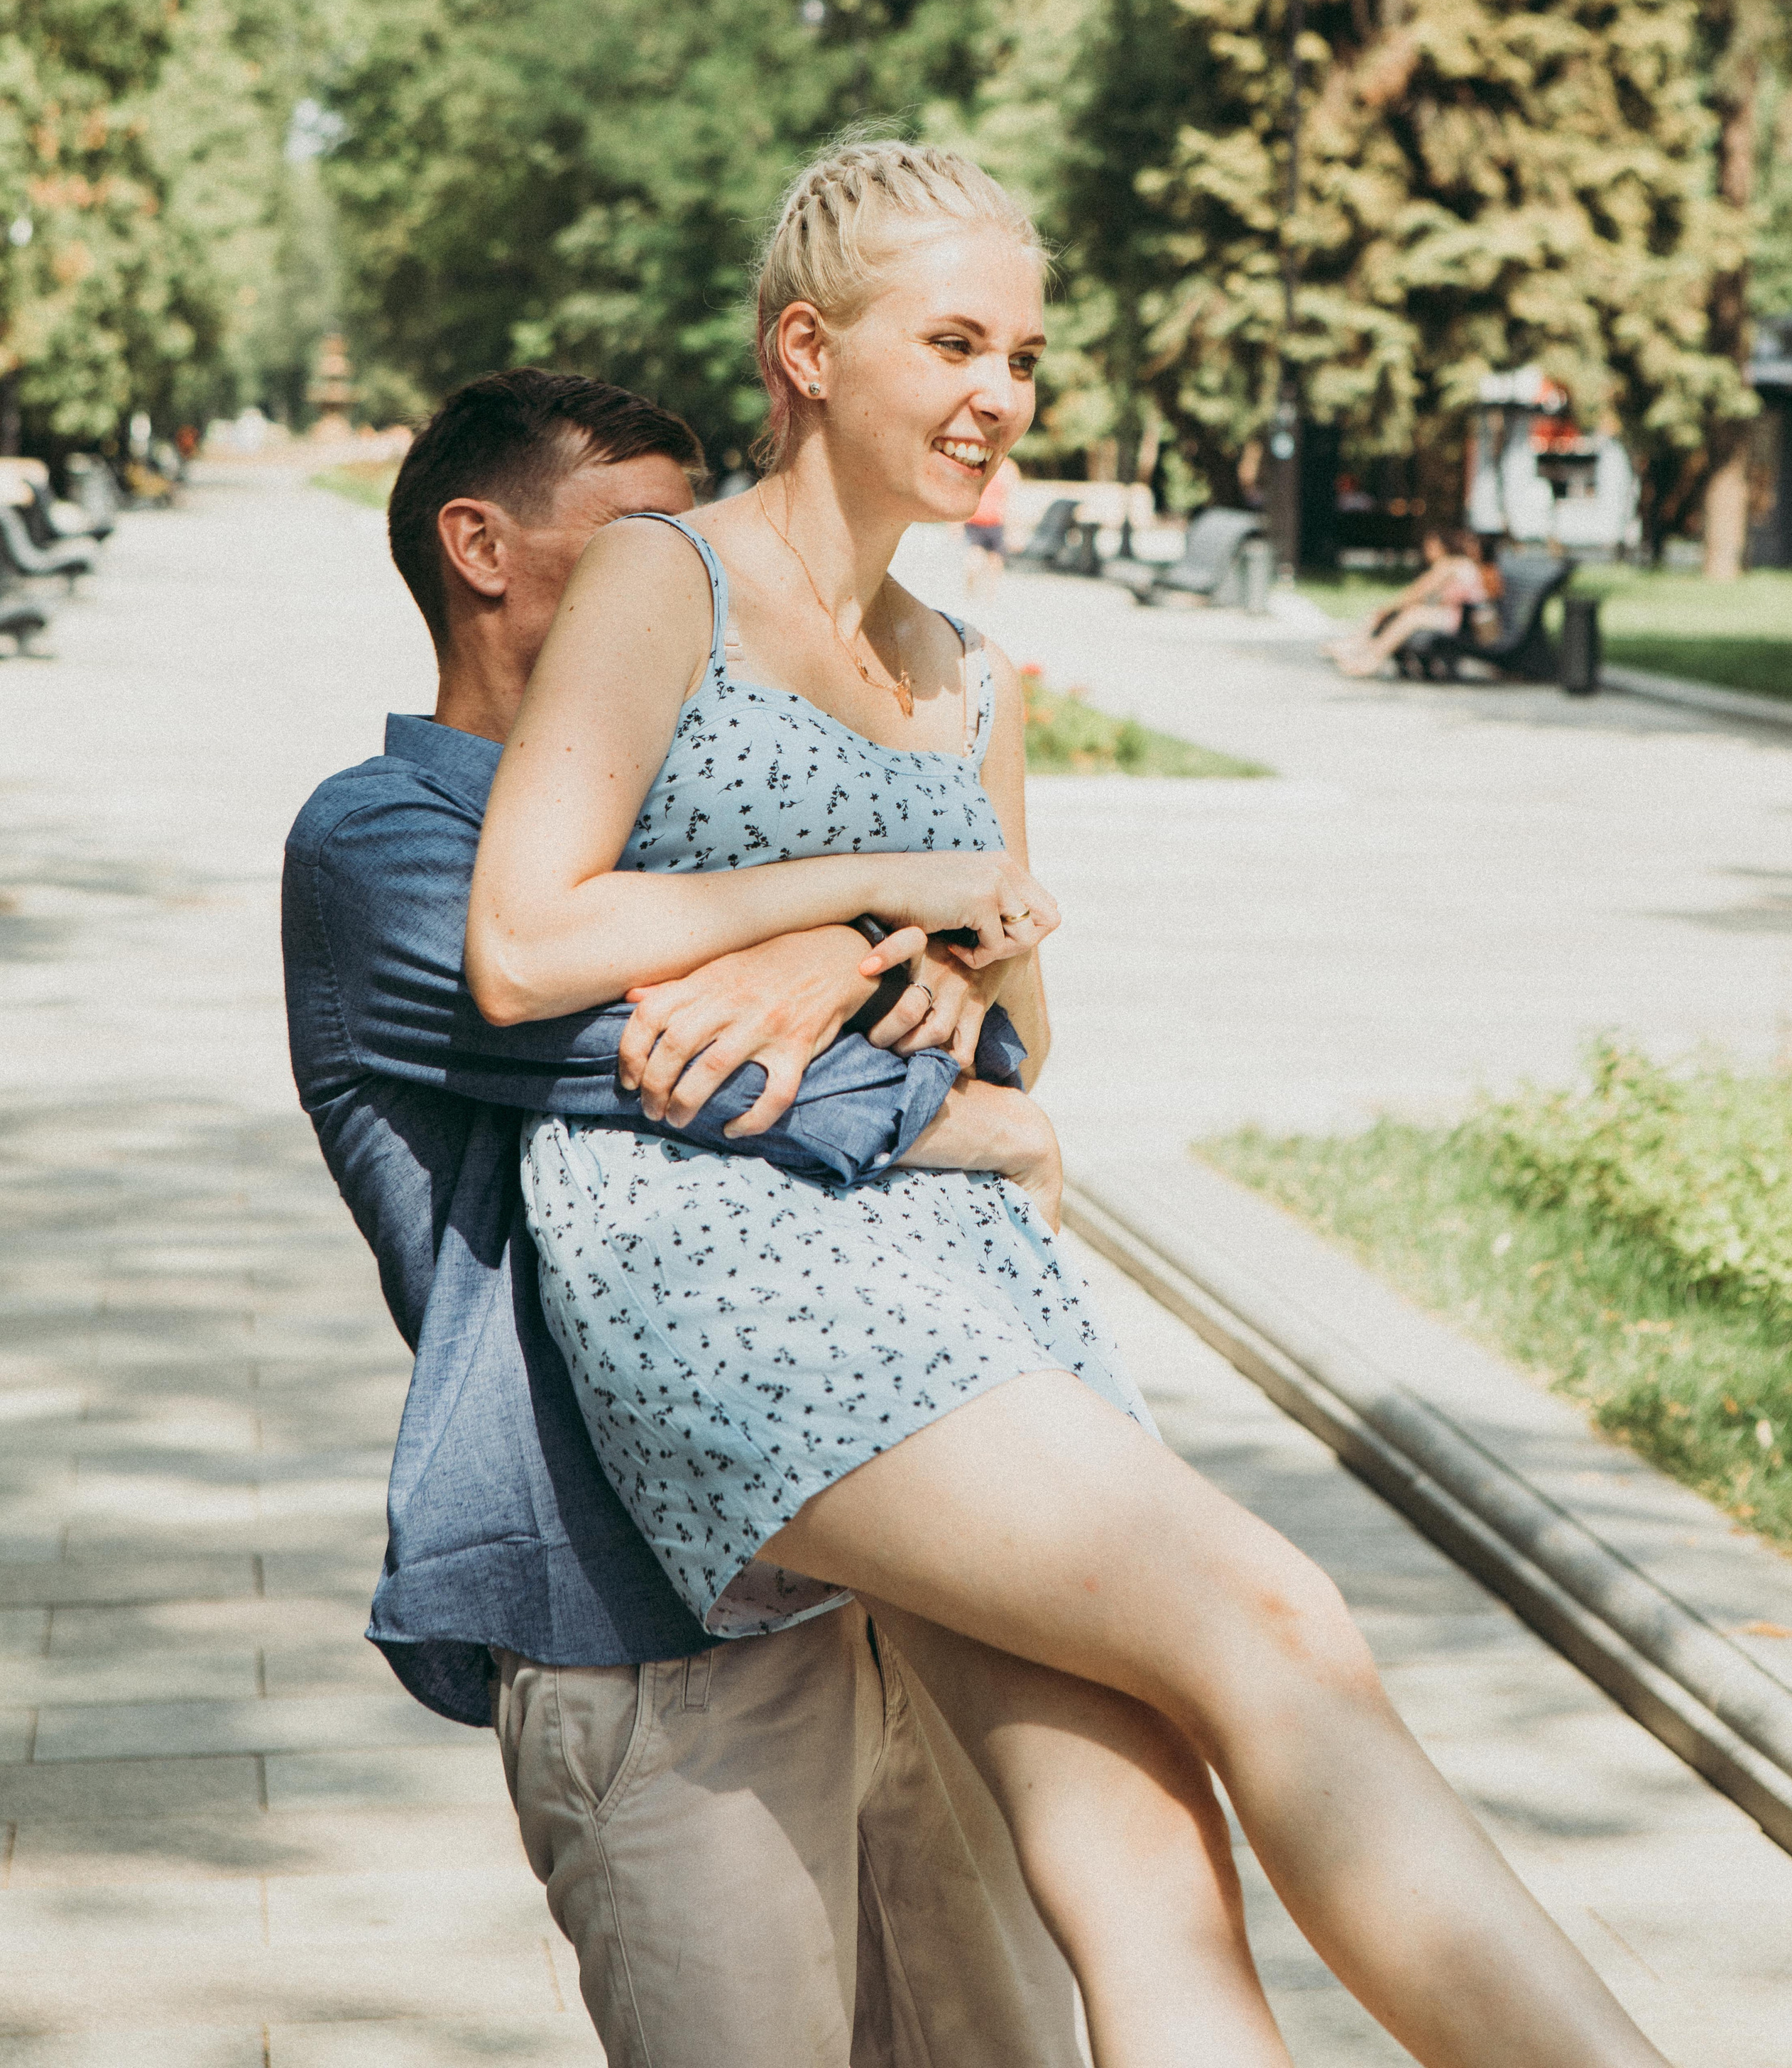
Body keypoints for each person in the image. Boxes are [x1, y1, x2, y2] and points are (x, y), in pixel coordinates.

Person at [468, 142, 1668, 2068]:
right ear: (805, 350)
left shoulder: (969, 675)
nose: (1000, 396)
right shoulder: (661, 576)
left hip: (971, 1269)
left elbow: (1019, 1026)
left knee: (1149, 1851)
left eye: (1023, 356)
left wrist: (953, 955)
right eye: (953, 343)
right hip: (735, 1259)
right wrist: (865, 895)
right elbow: (522, 940)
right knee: (1273, 1622)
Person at [282, 368, 1084, 2068]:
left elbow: (975, 1006)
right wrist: (976, 1108)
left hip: (895, 1563)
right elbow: (708, 1072)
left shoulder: (715, 828)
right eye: (645, 537)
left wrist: (870, 955)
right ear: (478, 547)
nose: (695, 575)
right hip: (637, 1620)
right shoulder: (386, 842)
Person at [1328, 525, 1490, 677]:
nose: (1427, 551)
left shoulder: (1451, 564)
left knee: (1411, 615)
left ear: (1443, 546)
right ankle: (1358, 649)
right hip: (1461, 618)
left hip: (1462, 621)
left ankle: (1370, 659)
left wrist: (1390, 607)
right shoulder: (1460, 564)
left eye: (1431, 546)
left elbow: (1417, 592)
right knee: (1407, 612)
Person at [961, 449, 1018, 598]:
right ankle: (989, 593)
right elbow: (1011, 500)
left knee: (977, 555)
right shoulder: (1008, 468)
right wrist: (1013, 530)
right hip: (993, 520)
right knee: (994, 558)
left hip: (977, 518)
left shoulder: (979, 463)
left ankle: (972, 591)